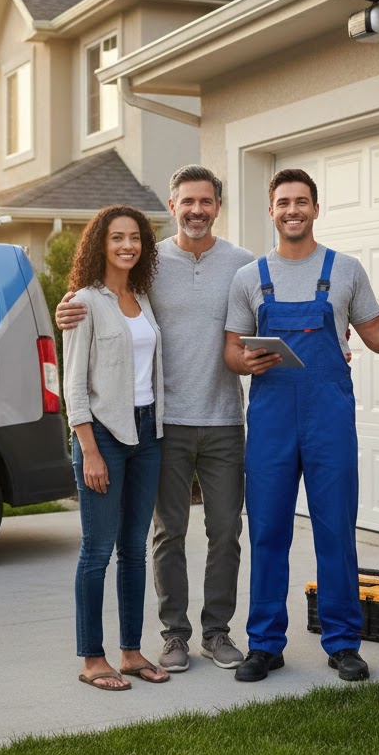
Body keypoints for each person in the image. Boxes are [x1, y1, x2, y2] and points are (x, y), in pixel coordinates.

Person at [223, 168, 379, 684]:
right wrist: (248, 363)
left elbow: (374, 336)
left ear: (315, 208)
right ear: (271, 210)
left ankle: (343, 642)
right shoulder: (248, 277)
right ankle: (264, 644)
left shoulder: (345, 270)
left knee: (335, 529)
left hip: (328, 417)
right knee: (267, 531)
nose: (293, 210)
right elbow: (232, 350)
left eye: (302, 201)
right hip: (271, 420)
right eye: (283, 202)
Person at [57, 167, 253, 673]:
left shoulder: (242, 265)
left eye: (206, 201)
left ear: (217, 205)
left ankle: (217, 631)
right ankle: (174, 636)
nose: (196, 210)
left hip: (224, 419)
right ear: (172, 205)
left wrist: (328, 345)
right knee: (166, 534)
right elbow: (97, 305)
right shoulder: (150, 263)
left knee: (226, 530)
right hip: (163, 426)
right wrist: (69, 306)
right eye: (187, 201)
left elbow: (273, 321)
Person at [63, 205, 170, 691]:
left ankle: (130, 652)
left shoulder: (143, 298)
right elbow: (74, 387)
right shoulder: (84, 302)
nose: (127, 245)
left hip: (148, 435)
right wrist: (89, 450)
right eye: (117, 238)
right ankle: (91, 658)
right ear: (100, 245)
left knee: (134, 550)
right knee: (97, 551)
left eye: (135, 238)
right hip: (103, 435)